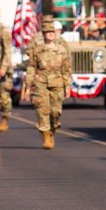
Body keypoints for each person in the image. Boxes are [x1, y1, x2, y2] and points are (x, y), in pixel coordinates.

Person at [24, 18, 70, 150]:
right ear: (43, 34)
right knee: (42, 110)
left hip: (57, 83)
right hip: (41, 83)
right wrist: (28, 87)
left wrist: (67, 86)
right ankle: (45, 136)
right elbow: (31, 68)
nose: (50, 33)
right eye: (47, 31)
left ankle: (52, 131)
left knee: (55, 112)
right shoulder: (37, 50)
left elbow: (66, 69)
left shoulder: (62, 50)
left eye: (52, 31)